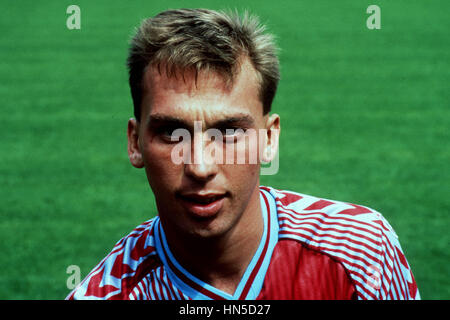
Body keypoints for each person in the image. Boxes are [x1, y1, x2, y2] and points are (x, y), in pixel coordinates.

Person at [66, 8, 419, 300]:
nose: (200, 166)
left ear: (269, 137)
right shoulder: (105, 295)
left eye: (229, 132)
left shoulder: (361, 251)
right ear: (135, 142)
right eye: (172, 133)